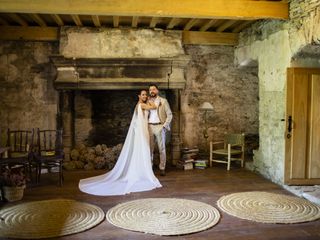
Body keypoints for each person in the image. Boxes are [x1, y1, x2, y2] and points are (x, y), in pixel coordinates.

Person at [79, 90, 162, 196]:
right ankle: (142, 172)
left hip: (143, 129)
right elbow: (154, 107)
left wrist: (149, 100)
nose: (145, 96)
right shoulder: (141, 105)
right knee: (143, 149)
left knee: (142, 150)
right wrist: (152, 99)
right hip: (142, 130)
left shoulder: (142, 104)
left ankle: (143, 171)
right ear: (139, 96)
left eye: (146, 94)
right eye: (143, 94)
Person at [148, 84, 173, 176]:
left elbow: (170, 115)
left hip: (159, 126)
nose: (152, 91)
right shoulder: (147, 101)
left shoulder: (163, 101)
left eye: (154, 89)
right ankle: (149, 167)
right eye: (150, 90)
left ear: (157, 91)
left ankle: (162, 168)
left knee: (161, 149)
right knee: (149, 148)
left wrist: (164, 126)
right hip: (149, 127)